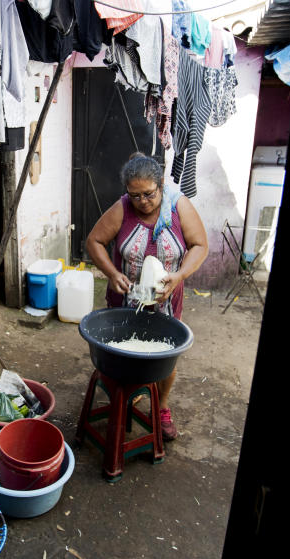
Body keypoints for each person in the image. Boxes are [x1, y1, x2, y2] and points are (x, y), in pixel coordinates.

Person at [85, 152, 209, 440]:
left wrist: (179, 276)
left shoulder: (179, 207)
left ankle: (161, 407)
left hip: (166, 300)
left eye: (149, 194)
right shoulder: (122, 208)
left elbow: (200, 245)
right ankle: (127, 393)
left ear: (161, 185)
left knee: (166, 359)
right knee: (124, 355)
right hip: (125, 300)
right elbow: (95, 241)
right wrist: (112, 273)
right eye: (135, 195)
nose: (142, 201)